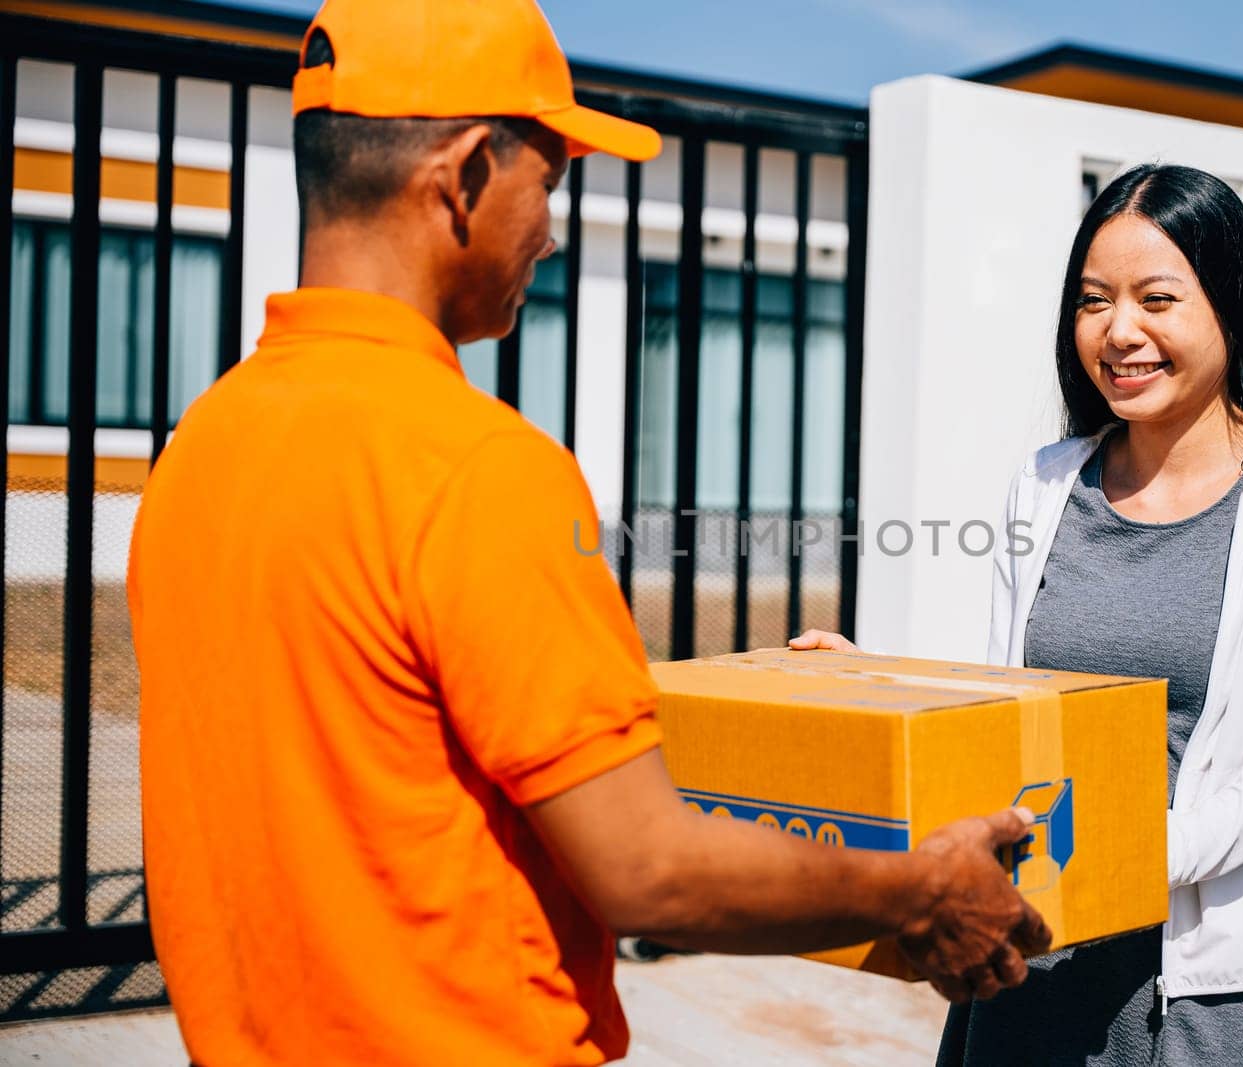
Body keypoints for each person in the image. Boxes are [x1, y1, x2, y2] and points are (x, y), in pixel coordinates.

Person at [127, 2, 1050, 1063]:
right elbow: (648, 869)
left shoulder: (204, 448)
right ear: (467, 171)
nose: (552, 230)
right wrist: (922, 890)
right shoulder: (473, 465)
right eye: (551, 179)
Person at [791, 163, 1243, 1065]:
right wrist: (869, 682)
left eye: (1157, 298)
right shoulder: (1045, 481)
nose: (1119, 332)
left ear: (1231, 306)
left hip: (1207, 984)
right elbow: (1008, 710)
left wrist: (1120, 856)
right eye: (1093, 301)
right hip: (1037, 955)